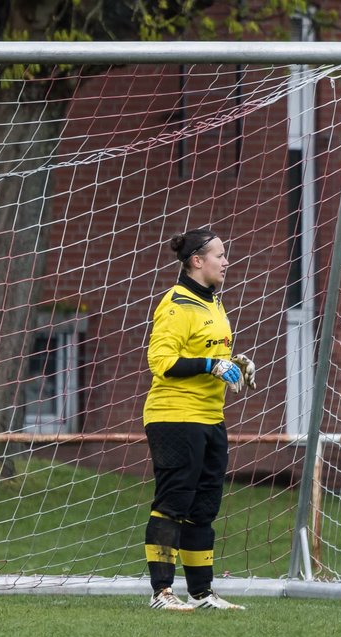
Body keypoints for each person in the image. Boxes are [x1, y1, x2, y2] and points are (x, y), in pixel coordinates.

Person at [141, 228, 256, 611]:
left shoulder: (214, 303)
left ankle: (202, 593)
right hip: (175, 416)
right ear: (196, 261)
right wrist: (212, 364)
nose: (226, 262)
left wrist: (235, 363)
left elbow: (209, 353)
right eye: (219, 256)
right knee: (173, 503)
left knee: (204, 508)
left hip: (210, 418)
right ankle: (161, 592)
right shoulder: (175, 304)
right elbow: (162, 363)